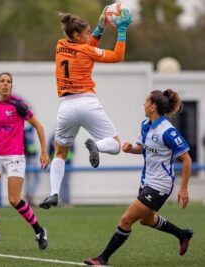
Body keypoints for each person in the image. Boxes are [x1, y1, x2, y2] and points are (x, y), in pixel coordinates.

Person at [84, 89, 193, 265]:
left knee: (127, 219)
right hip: (147, 181)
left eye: (146, 102)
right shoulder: (146, 124)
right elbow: (141, 148)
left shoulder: (168, 131)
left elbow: (187, 159)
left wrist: (184, 188)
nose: (143, 104)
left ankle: (103, 258)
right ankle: (182, 234)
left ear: (153, 106)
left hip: (160, 185)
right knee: (146, 220)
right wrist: (130, 148)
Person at [39, 8, 133, 209]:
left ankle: (54, 193)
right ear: (76, 35)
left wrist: (100, 27)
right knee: (115, 145)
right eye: (87, 32)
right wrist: (122, 29)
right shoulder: (87, 50)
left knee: (59, 153)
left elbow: (86, 47)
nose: (90, 35)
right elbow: (117, 56)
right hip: (87, 103)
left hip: (65, 107)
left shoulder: (60, 45)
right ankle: (97, 147)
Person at [0, 72, 50, 250]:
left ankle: (39, 231)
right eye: (2, 81)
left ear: (11, 86)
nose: (6, 84)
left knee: (14, 200)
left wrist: (44, 152)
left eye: (9, 82)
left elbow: (39, 127)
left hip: (15, 157)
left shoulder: (18, 105)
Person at [48, 133, 74, 205]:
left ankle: (65, 200)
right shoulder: (53, 137)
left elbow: (72, 150)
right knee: (56, 182)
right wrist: (52, 161)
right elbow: (49, 149)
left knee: (65, 182)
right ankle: (56, 200)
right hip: (58, 163)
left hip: (67, 164)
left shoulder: (70, 135)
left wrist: (67, 160)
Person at [24, 123, 41, 206]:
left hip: (31, 158)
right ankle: (29, 195)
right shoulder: (25, 132)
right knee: (32, 178)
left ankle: (29, 195)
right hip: (28, 159)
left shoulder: (29, 131)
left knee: (34, 178)